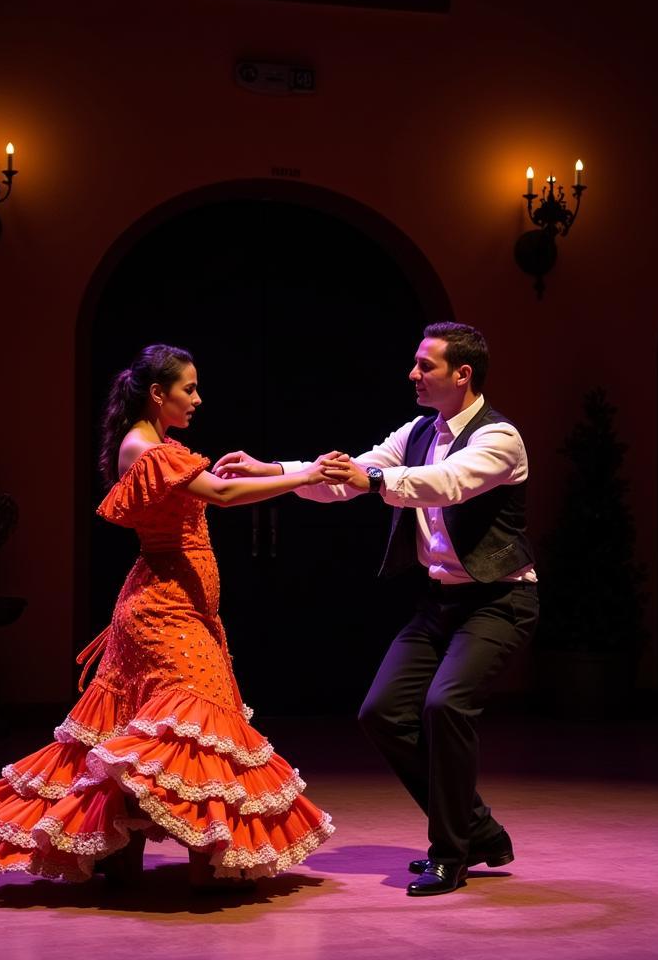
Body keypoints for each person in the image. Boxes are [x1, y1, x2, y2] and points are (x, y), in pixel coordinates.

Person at [0, 344, 336, 888]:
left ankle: (121, 851)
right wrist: (302, 477)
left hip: (176, 604)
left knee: (150, 728)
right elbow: (224, 495)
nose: (198, 399)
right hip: (163, 610)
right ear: (158, 394)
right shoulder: (150, 451)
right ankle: (207, 854)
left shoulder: (157, 446)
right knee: (191, 729)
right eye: (189, 388)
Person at [214, 322, 538, 897]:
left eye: (425, 366)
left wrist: (373, 479)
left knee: (445, 706)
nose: (413, 374)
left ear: (462, 374)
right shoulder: (416, 431)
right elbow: (347, 478)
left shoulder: (500, 438)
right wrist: (276, 472)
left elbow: (445, 484)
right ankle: (477, 828)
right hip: (440, 602)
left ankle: (451, 852)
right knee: (382, 712)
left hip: (498, 600)